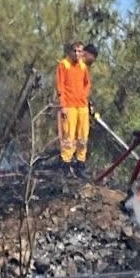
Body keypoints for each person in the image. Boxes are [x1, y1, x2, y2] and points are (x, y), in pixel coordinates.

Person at [55, 40, 92, 178]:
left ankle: (80, 164)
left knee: (83, 136)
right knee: (69, 136)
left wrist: (84, 94)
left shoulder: (83, 66)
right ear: (70, 52)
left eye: (80, 51)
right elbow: (60, 86)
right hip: (69, 106)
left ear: (83, 52)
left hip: (82, 106)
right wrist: (63, 104)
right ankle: (65, 164)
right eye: (74, 51)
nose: (77, 54)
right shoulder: (63, 65)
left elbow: (87, 83)